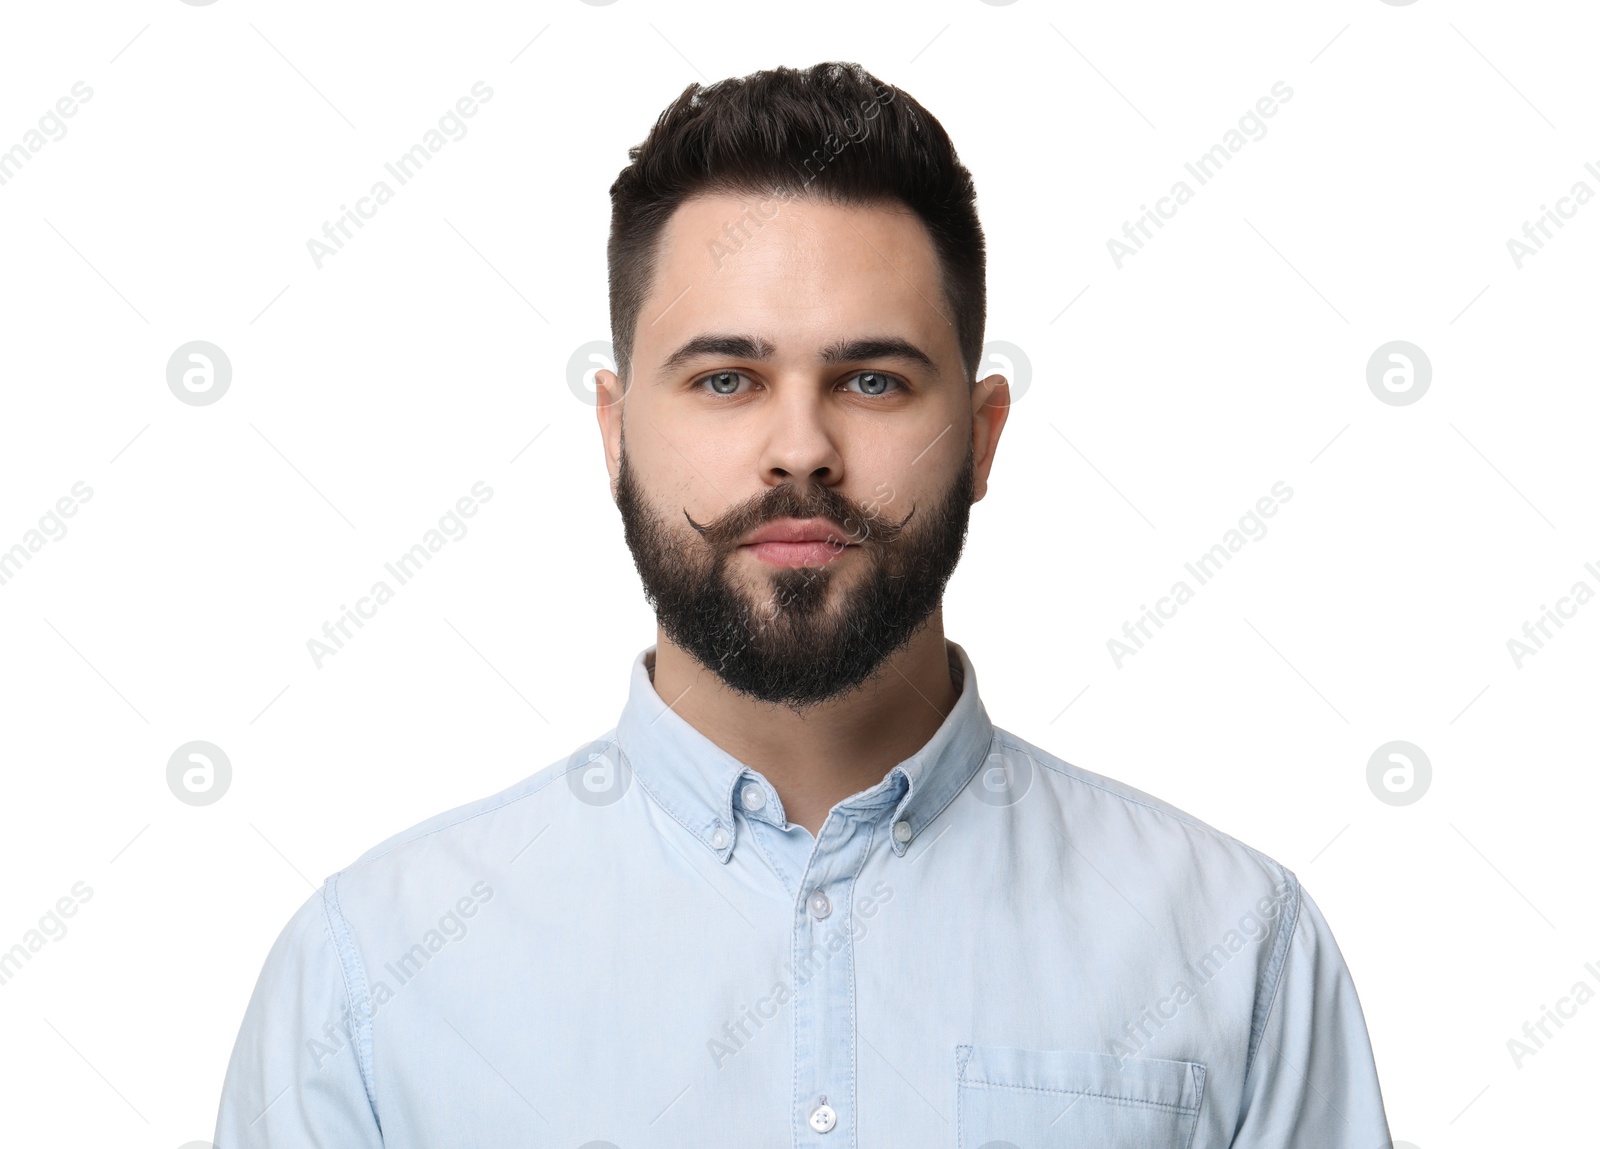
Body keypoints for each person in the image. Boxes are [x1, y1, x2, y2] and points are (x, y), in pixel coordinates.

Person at [215, 61, 1391, 1147]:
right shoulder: (372, 977)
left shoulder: (1236, 947)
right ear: (616, 432)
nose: (800, 450)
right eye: (726, 378)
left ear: (981, 438)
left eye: (870, 380)